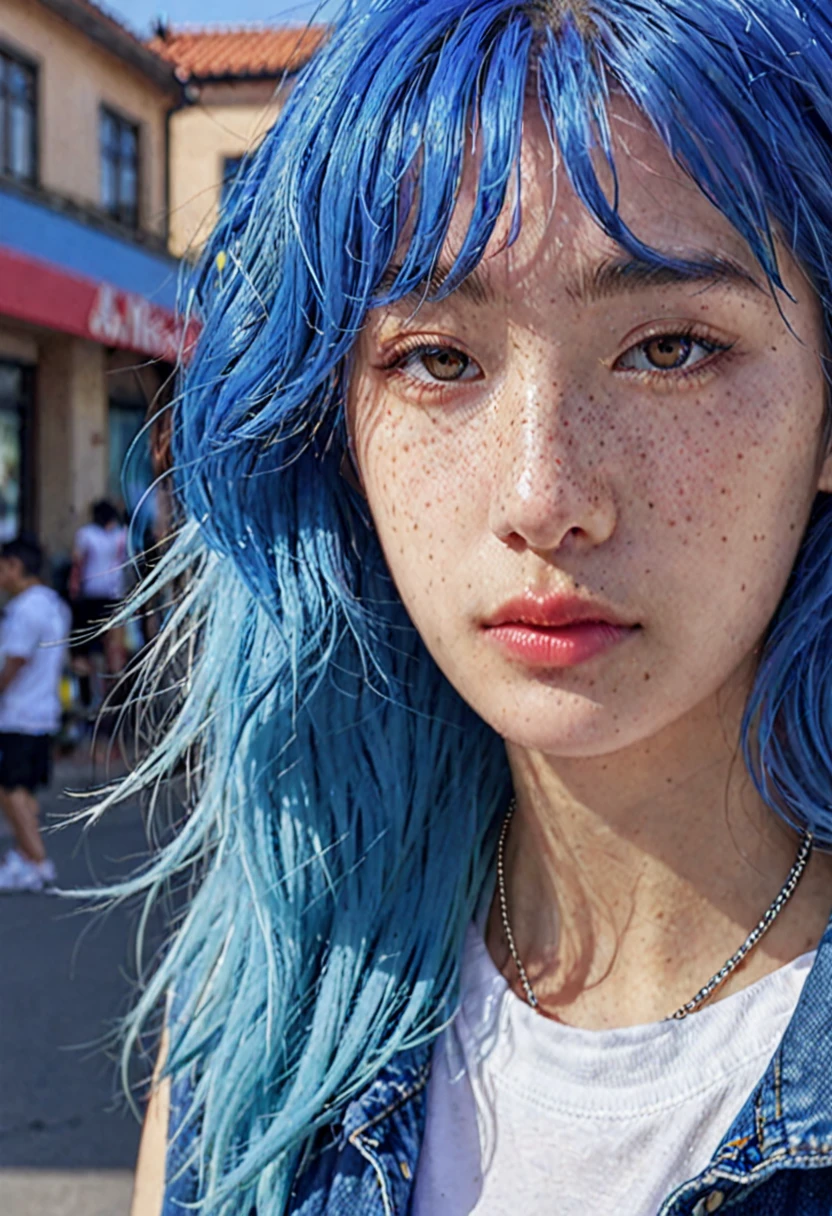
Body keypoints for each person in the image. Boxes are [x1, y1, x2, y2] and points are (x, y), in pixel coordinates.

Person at [120, 0, 832, 1212]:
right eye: (437, 359)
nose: (544, 495)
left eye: (669, 348)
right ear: (337, 423)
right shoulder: (255, 1029)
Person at [0, 535, 70, 892]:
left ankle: (38, 858)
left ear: (14, 566)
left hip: (18, 711)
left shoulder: (25, 609)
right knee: (22, 790)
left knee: (10, 790)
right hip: (42, 709)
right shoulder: (54, 605)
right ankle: (26, 858)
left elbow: (15, 660)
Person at [69, 498, 128, 699]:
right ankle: (112, 689)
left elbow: (78, 563)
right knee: (111, 645)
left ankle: (90, 692)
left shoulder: (86, 534)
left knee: (85, 645)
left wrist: (74, 587)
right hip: (113, 594)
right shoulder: (122, 534)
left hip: (91, 594)